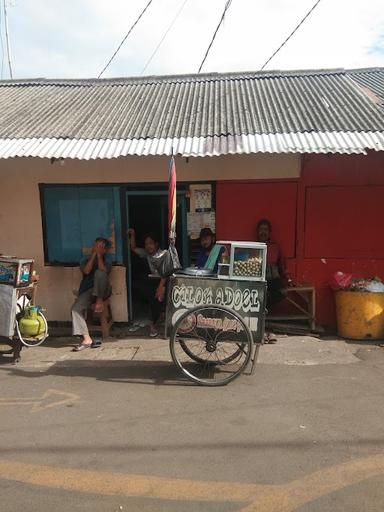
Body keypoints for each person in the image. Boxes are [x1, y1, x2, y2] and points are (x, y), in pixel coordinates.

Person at [71, 238, 112, 351]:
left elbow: (104, 271)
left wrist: (99, 257)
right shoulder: (85, 259)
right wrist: (94, 255)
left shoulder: (107, 260)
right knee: (75, 309)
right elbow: (86, 271)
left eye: (100, 247)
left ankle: (99, 300)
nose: (97, 248)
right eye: (96, 246)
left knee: (100, 273)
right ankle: (87, 338)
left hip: (103, 291)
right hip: (88, 290)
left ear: (105, 250)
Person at [256, 219, 293, 343]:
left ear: (270, 232)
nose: (263, 232)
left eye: (265, 229)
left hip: (274, 279)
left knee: (282, 293)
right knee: (258, 297)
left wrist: (288, 278)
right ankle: (262, 321)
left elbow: (282, 265)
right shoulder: (254, 247)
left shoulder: (275, 247)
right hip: (259, 279)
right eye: (261, 229)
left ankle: (264, 309)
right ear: (257, 232)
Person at [128, 229, 167, 337]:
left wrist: (160, 288)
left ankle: (153, 323)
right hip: (154, 281)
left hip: (165, 281)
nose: (148, 246)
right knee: (149, 293)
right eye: (146, 244)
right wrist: (133, 235)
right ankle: (155, 319)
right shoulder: (147, 254)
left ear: (156, 244)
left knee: (158, 296)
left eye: (150, 243)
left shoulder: (163, 254)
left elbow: (166, 273)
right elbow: (133, 248)